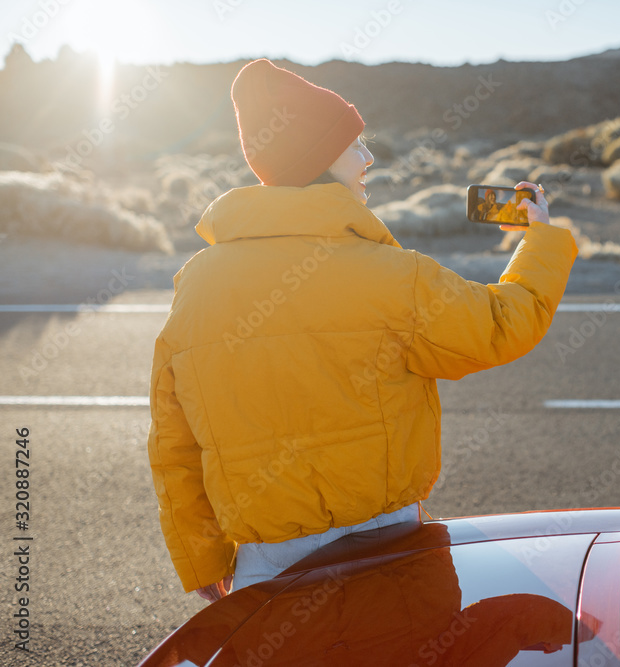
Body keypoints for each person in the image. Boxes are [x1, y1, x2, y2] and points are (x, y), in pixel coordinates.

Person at [146, 59, 577, 602]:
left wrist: (203, 555)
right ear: (320, 159)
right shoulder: (392, 274)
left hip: (263, 568)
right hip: (389, 550)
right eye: (356, 145)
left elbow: (174, 443)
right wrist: (540, 239)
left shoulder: (196, 283)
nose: (369, 157)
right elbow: (500, 326)